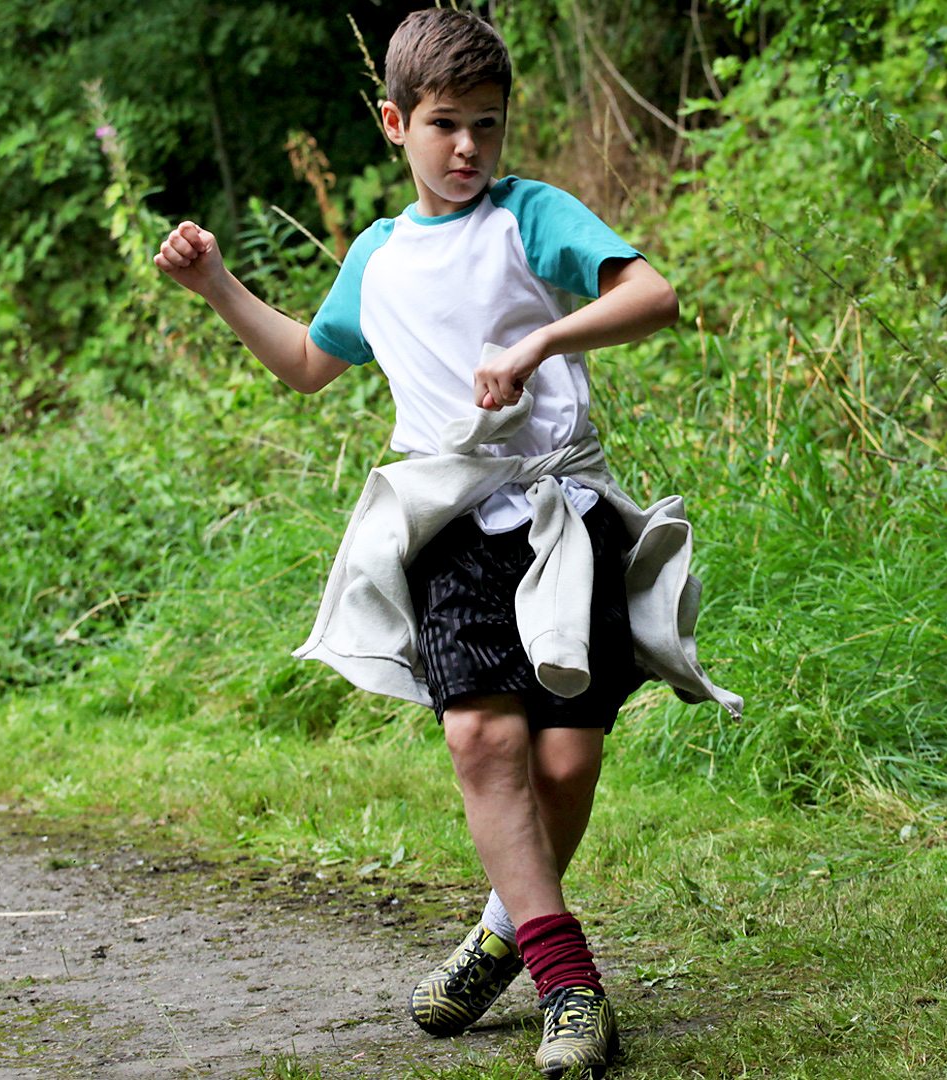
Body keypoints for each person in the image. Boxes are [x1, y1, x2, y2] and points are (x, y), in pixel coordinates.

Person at [153, 10, 740, 1077]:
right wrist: (216, 289)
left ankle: (503, 932)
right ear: (394, 123)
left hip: (566, 524)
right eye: (444, 126)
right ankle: (571, 987)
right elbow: (305, 362)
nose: (469, 147)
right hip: (451, 528)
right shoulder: (376, 258)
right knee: (481, 743)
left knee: (565, 758)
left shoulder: (530, 218)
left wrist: (541, 339)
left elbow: (655, 294)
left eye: (488, 125)